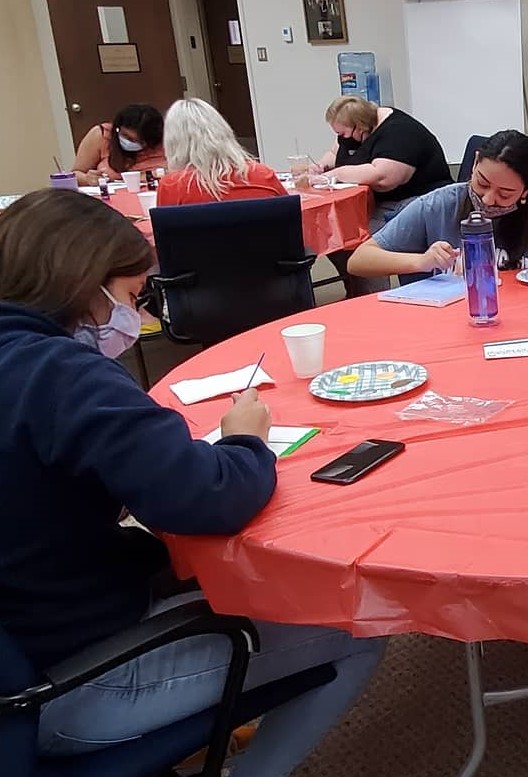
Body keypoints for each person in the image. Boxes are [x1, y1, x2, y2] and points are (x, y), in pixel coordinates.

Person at [0, 189, 385, 777]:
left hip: (31, 647)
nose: (139, 317)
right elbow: (209, 498)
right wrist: (245, 440)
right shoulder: (60, 375)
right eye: (130, 297)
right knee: (359, 624)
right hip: (63, 688)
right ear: (82, 284)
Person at [348, 129, 528, 283]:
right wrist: (421, 262)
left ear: (526, 192)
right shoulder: (437, 206)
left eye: (505, 193)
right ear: (475, 163)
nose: (488, 199)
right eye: (482, 183)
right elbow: (359, 261)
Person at [314, 95, 453, 296]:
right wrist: (320, 167)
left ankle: (371, 295)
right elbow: (335, 154)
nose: (342, 138)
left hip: (416, 199)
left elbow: (384, 178)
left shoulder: (400, 133)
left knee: (360, 239)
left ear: (359, 127)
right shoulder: (352, 133)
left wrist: (335, 175)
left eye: (343, 133)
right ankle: (355, 290)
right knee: (336, 234)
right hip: (376, 201)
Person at [157, 98, 286, 205]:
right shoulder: (263, 175)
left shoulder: (172, 185)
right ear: (224, 132)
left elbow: (164, 233)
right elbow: (291, 218)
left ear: (172, 142)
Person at [71, 103, 167, 187]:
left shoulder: (165, 139)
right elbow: (75, 174)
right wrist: (87, 179)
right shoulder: (101, 135)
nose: (130, 142)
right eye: (125, 136)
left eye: (138, 141)